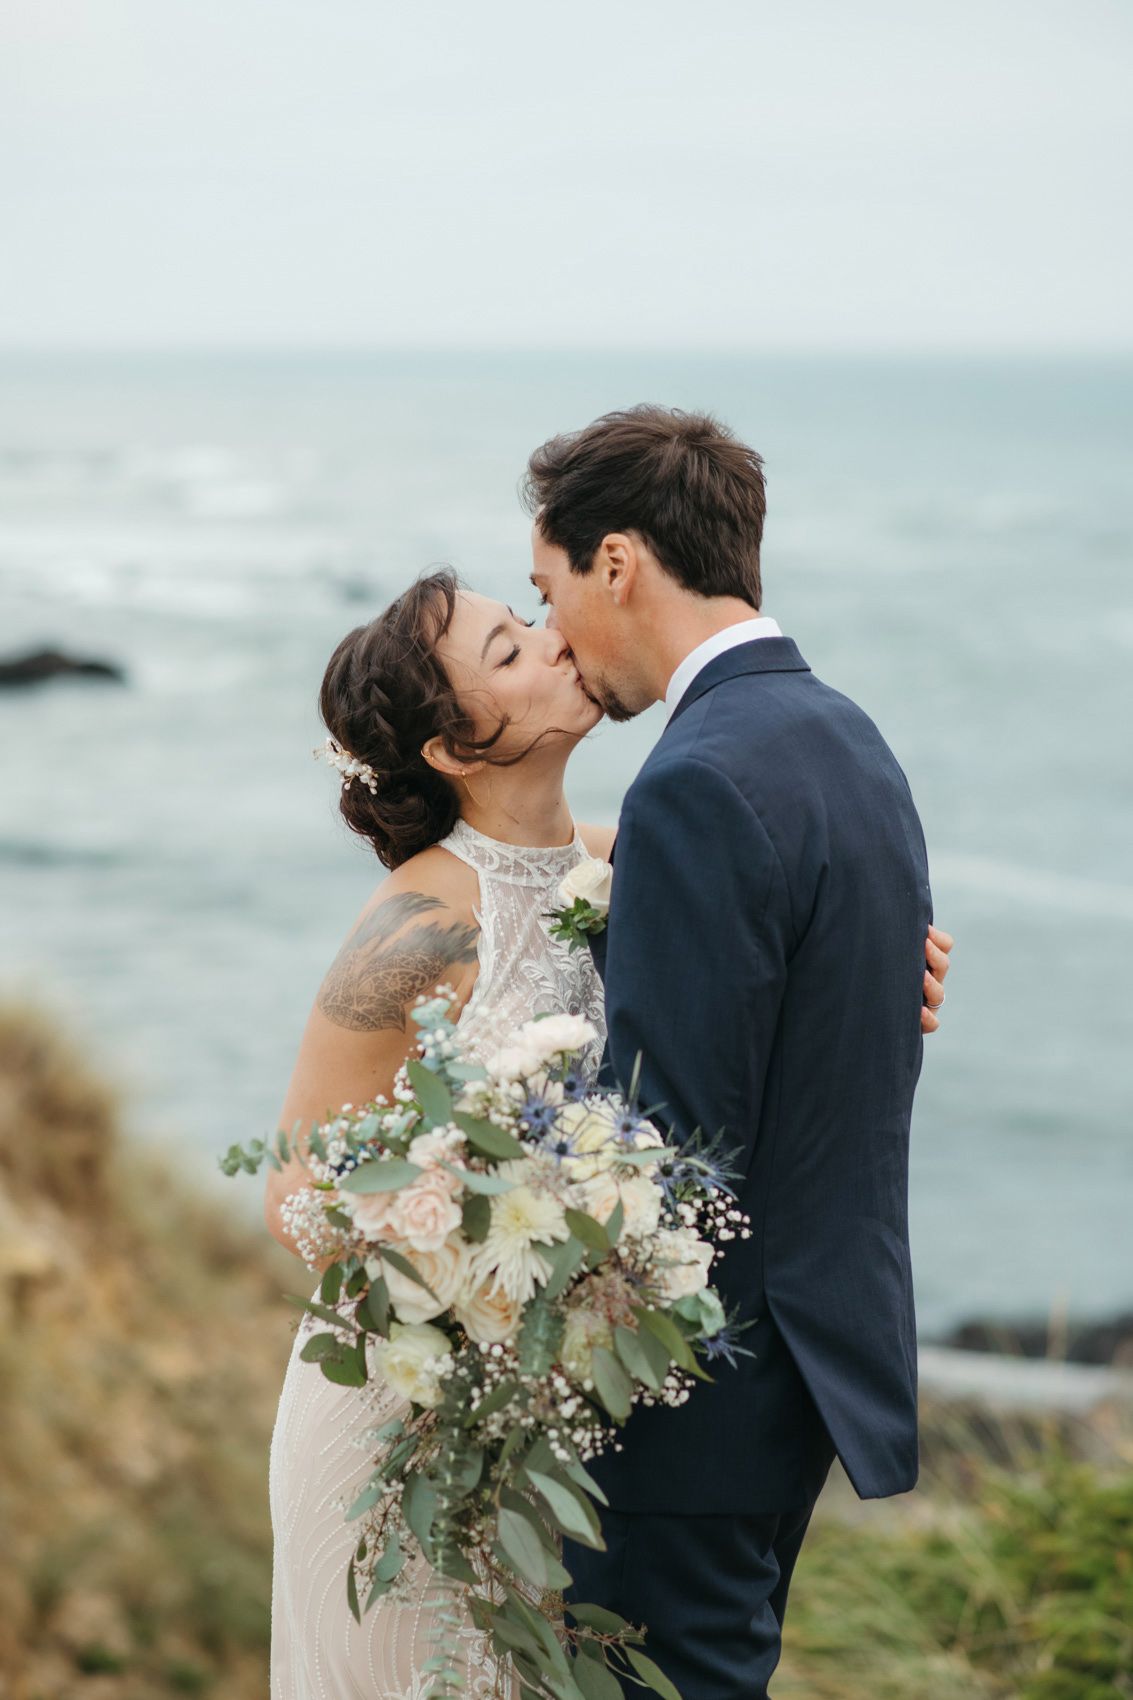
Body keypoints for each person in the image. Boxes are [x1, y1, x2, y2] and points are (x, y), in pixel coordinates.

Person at [264, 483, 951, 1695]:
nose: (552, 637)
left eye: (533, 617)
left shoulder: (616, 858)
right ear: (450, 741)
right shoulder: (416, 925)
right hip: (414, 1405)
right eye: (509, 645)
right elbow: (297, 1189)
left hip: (553, 1424)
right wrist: (469, 1265)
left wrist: (893, 969)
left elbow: (754, 950)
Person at [526, 405, 942, 1699]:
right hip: (807, 1359)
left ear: (616, 562)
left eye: (548, 592)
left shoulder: (697, 777)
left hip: (692, 1395)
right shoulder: (843, 737)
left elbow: (664, 1137)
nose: (555, 639)